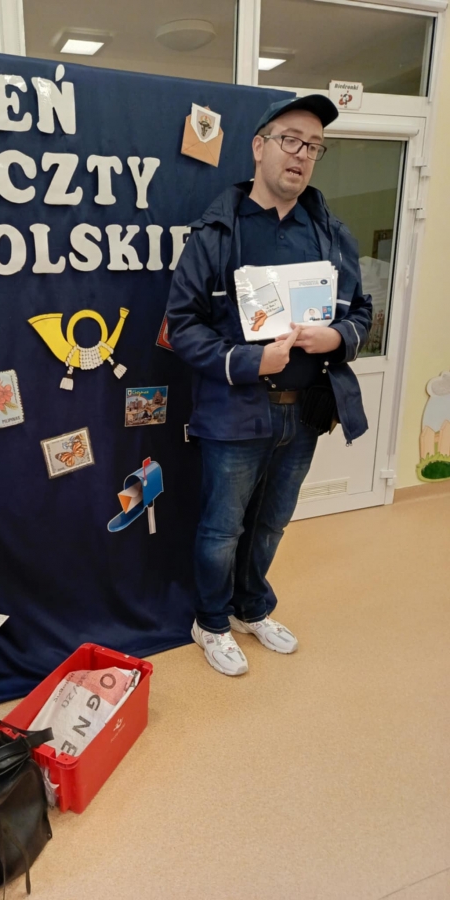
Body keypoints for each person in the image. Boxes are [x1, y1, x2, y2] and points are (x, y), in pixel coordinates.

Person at [166, 95, 372, 676]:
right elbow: (182, 326)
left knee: (272, 523)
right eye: (291, 140)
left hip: (303, 414)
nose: (302, 155)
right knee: (221, 529)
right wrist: (248, 361)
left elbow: (361, 311)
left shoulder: (331, 234)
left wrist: (336, 338)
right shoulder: (216, 233)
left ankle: (251, 608)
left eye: (314, 147)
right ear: (259, 147)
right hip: (234, 411)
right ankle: (210, 622)